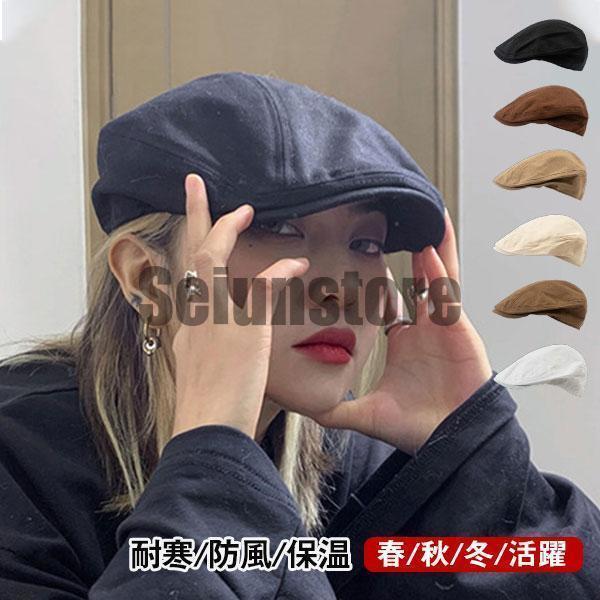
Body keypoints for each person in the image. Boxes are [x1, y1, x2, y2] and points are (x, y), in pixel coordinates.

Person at [0, 72, 599, 599]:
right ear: (148, 279)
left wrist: (470, 456)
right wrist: (213, 459)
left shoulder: (344, 454)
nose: (342, 289)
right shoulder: (19, 458)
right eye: (282, 229)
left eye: (365, 243)